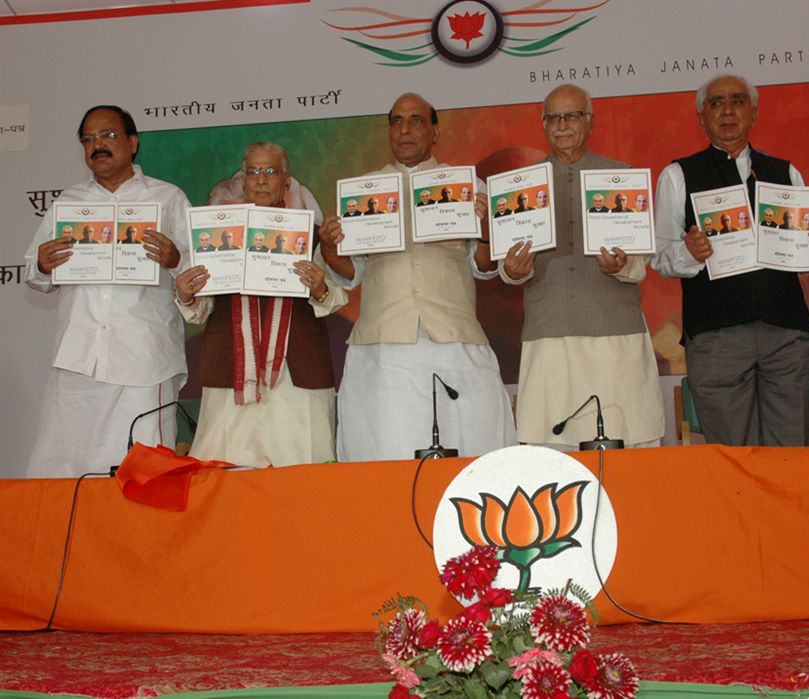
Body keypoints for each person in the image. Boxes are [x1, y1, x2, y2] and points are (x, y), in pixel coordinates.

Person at [319, 92, 515, 461]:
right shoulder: (364, 191)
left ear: (435, 131)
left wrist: (487, 224)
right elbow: (352, 271)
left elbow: (484, 267)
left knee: (471, 450)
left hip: (453, 336)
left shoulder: (469, 187)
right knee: (388, 456)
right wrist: (330, 247)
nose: (405, 129)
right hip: (385, 342)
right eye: (397, 121)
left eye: (416, 120)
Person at [654, 74, 809, 446]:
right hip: (717, 338)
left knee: (795, 452)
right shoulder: (677, 175)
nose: (728, 110)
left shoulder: (786, 172)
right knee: (735, 457)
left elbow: (808, 258)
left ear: (754, 114)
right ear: (701, 118)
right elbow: (661, 256)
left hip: (785, 331)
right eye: (716, 102)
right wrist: (689, 251)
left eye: (737, 100)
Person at [24, 104, 190, 477]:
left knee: (147, 480)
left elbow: (198, 277)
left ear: (133, 143)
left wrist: (176, 258)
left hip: (144, 364)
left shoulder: (168, 198)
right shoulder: (68, 203)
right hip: (78, 364)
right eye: (88, 139)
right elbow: (33, 275)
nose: (97, 144)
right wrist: (41, 264)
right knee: (60, 475)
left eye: (108, 135)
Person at [501, 83, 664, 450]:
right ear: (543, 125)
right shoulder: (521, 187)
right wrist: (513, 271)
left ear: (590, 122)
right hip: (549, 332)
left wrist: (622, 265)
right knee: (552, 456)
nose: (562, 124)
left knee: (628, 450)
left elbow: (641, 260)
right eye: (553, 117)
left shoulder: (621, 178)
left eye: (572, 115)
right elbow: (508, 263)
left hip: (614, 332)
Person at [173, 141, 345, 467]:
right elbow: (201, 307)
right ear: (243, 182)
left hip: (297, 375)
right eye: (253, 172)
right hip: (231, 373)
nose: (261, 179)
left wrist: (319, 287)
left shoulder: (309, 233)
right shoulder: (217, 233)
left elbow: (335, 297)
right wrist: (186, 293)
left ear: (287, 180)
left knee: (302, 478)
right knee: (226, 480)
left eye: (270, 171)